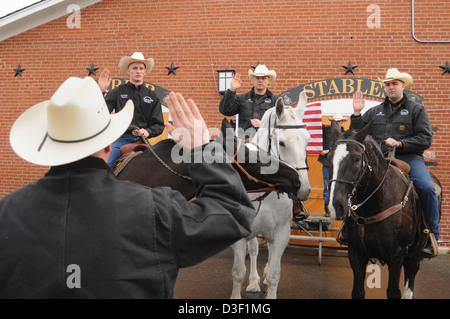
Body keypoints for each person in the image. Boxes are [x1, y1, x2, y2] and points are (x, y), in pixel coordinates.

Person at [0, 76, 255, 298]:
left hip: (141, 135)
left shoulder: (5, 212)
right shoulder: (156, 209)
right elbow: (233, 213)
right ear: (108, 145)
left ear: (47, 147)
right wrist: (201, 150)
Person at [350, 68, 439, 256]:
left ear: (403, 86)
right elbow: (357, 135)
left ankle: (431, 235)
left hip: (409, 159)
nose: (391, 87)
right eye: (388, 84)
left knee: (427, 188)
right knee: (353, 184)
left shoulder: (416, 109)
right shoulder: (374, 112)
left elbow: (426, 138)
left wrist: (401, 143)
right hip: (381, 160)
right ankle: (348, 231)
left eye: (394, 84)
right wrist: (357, 114)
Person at [98, 52, 165, 167]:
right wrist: (101, 91)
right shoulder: (119, 91)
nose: (138, 71)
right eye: (135, 68)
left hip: (143, 140)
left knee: (159, 168)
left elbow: (158, 125)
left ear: (145, 71)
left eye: (141, 68)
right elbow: (101, 113)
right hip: (121, 139)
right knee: (107, 165)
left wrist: (148, 131)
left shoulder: (152, 95)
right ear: (128, 71)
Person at [219, 64, 277, 141]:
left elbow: (282, 124)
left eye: (263, 78)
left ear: (268, 80)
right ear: (253, 79)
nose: (260, 80)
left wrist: (264, 125)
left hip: (266, 145)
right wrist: (232, 89)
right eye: (257, 78)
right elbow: (225, 110)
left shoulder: (275, 101)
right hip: (244, 146)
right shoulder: (241, 99)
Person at [319, 114, 348, 210]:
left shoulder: (345, 135)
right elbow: (317, 125)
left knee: (340, 186)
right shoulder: (327, 130)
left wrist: (328, 151)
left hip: (340, 165)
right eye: (335, 121)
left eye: (339, 121)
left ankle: (340, 208)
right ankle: (328, 209)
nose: (337, 123)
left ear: (342, 122)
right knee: (327, 187)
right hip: (328, 163)